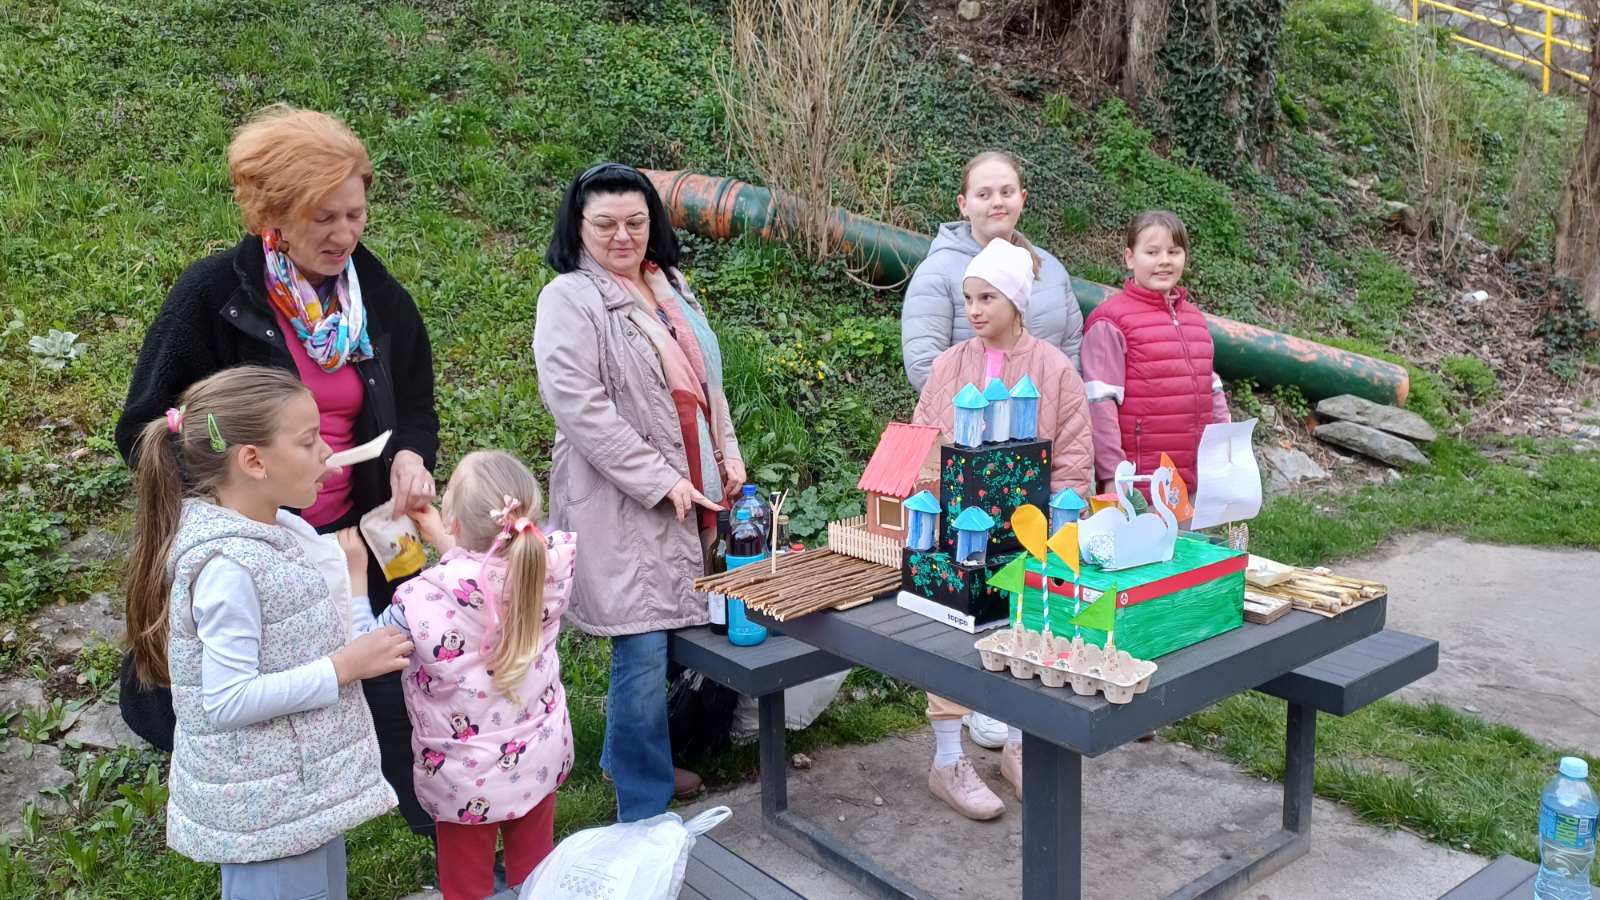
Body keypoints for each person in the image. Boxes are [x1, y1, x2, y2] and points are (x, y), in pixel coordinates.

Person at [113, 104, 439, 836]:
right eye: (323, 218)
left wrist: (410, 454)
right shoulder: (212, 298)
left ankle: (436, 829)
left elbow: (415, 402)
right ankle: (266, 829)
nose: (344, 234)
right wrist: (244, 490)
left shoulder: (373, 292)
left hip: (360, 534)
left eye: (355, 214)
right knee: (265, 700)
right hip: (263, 545)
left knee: (393, 679)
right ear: (273, 216)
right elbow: (144, 429)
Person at [122, 366, 412, 898]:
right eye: (308, 441)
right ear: (253, 461)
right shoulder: (228, 568)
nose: (327, 451)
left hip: (296, 798)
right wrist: (345, 667)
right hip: (265, 816)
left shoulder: (277, 530)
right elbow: (226, 700)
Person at [533, 162, 743, 821]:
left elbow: (709, 385)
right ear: (578, 226)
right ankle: (643, 805)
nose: (622, 236)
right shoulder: (569, 298)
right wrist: (659, 479)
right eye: (605, 225)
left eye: (636, 222)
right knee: (644, 637)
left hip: (693, 480)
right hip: (619, 495)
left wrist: (728, 456)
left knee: (674, 627)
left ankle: (632, 755)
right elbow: (578, 404)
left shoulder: (669, 284)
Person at [910, 238, 1093, 820]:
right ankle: (947, 760)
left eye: (987, 297)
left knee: (1026, 631)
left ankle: (1018, 746)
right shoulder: (949, 365)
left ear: (1017, 301)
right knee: (948, 639)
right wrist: (936, 508)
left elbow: (1073, 458)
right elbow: (924, 445)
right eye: (968, 298)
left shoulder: (1054, 369)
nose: (974, 309)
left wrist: (1062, 533)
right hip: (958, 533)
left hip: (1029, 535)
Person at [341, 451, 576, 900]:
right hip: (539, 756)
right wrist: (444, 537)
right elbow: (488, 578)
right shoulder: (547, 567)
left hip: (464, 781)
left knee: (466, 887)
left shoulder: (418, 600)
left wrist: (354, 576)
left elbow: (368, 646)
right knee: (537, 873)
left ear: (454, 521)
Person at [901, 150, 1084, 394]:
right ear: (963, 204)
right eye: (984, 194)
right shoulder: (937, 272)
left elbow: (1072, 349)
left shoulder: (1050, 269)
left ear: (1022, 198)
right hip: (968, 414)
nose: (997, 202)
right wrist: (990, 410)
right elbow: (924, 365)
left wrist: (1056, 405)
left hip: (1047, 414)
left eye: (1007, 192)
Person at [1080, 211, 1228, 498]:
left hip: (1197, 482)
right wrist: (1112, 475)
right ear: (1129, 257)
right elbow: (1100, 404)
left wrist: (1226, 452)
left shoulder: (1195, 320)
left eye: (1174, 251)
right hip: (1141, 485)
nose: (1164, 261)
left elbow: (1212, 388)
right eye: (1152, 252)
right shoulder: (1110, 321)